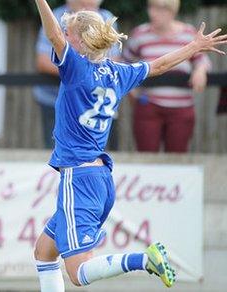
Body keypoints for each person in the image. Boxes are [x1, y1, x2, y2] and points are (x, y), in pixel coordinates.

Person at [32, 0, 227, 291]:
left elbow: (52, 36)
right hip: (99, 178)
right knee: (44, 253)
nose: (64, 34)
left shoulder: (75, 69)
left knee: (78, 274)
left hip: (78, 178)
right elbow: (159, 65)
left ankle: (141, 259)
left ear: (81, 41)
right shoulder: (118, 73)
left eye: (69, 32)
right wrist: (193, 47)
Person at [123, 0, 211, 152]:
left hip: (181, 108)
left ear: (172, 11)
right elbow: (125, 63)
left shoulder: (188, 33)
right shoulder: (140, 34)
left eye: (159, 9)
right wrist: (130, 90)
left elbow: (202, 60)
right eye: (151, 7)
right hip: (148, 105)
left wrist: (200, 71)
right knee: (146, 157)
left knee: (177, 158)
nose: (152, 13)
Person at [33, 0, 119, 149]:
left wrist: (80, 72)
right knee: (57, 153)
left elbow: (114, 60)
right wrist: (79, 72)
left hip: (95, 106)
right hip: (55, 102)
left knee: (96, 155)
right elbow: (42, 60)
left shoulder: (106, 17)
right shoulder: (56, 16)